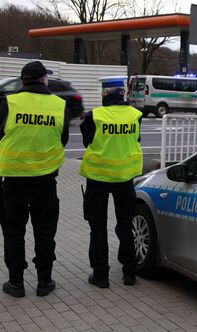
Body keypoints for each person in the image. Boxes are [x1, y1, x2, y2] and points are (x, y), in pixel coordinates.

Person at [0, 61, 70, 298]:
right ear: (44, 80)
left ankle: (16, 283)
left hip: (14, 180)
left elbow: (0, 133)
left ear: (22, 81)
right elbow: (63, 138)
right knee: (45, 232)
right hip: (45, 181)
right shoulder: (59, 105)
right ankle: (44, 281)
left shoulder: (10, 102)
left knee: (14, 231)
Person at [79, 76, 143, 287]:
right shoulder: (135, 115)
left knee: (98, 228)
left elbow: (87, 141)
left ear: (104, 94)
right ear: (123, 93)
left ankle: (100, 275)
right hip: (125, 179)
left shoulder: (93, 116)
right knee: (125, 226)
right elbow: (136, 140)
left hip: (98, 179)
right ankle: (129, 273)